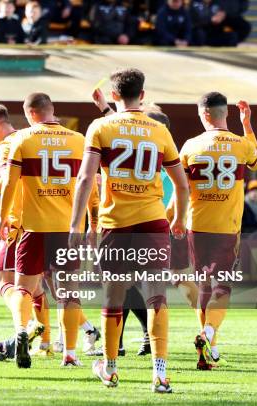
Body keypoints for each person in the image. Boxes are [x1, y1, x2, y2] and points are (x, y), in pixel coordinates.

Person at [70, 68, 189, 393]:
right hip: (152, 221)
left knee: (114, 296)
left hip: (115, 223)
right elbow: (181, 183)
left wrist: (76, 225)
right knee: (156, 297)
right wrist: (178, 218)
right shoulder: (159, 131)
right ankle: (161, 374)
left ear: (113, 96)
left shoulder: (100, 127)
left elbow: (84, 179)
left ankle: (109, 369)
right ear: (143, 95)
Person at [0, 104, 100, 358]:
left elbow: (8, 181)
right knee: (56, 288)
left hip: (21, 225)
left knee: (7, 283)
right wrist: (93, 222)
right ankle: (57, 342)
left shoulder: (12, 143)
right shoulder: (60, 139)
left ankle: (27, 329)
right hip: (62, 224)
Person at [0, 92, 89, 368]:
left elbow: (9, 184)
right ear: (51, 110)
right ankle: (70, 354)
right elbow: (90, 183)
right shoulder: (78, 140)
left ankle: (22, 331)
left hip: (33, 228)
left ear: (30, 114)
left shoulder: (22, 139)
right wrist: (91, 220)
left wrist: (3, 217)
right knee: (69, 292)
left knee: (23, 288)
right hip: (67, 228)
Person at [179, 94, 257, 370]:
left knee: (204, 286)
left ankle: (207, 353)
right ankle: (209, 334)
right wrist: (247, 125)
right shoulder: (240, 144)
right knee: (222, 286)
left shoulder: (191, 146)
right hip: (228, 227)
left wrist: (176, 217)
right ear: (224, 113)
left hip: (197, 225)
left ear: (203, 115)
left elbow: (180, 185)